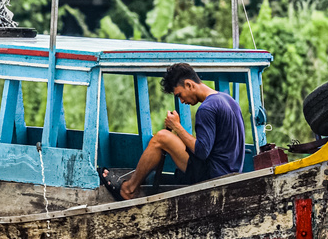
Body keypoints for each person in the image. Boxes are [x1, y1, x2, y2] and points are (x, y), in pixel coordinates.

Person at [103, 62, 247, 199]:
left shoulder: (207, 109)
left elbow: (202, 151)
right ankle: (135, 180)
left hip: (214, 176)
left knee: (162, 137)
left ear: (189, 84)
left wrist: (176, 126)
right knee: (167, 138)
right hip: (231, 173)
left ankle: (128, 190)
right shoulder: (229, 100)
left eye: (179, 95)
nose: (182, 101)